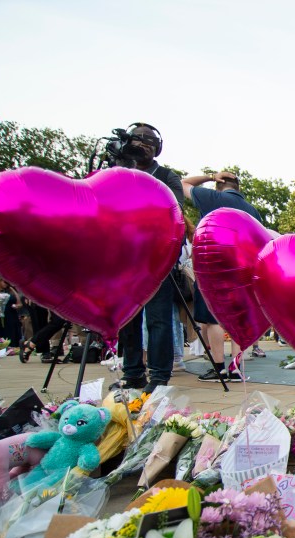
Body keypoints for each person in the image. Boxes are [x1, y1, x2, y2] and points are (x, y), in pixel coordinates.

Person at [112, 124, 184, 395]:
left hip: (155, 257)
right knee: (128, 318)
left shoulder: (167, 176)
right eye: (136, 139)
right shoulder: (120, 173)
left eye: (148, 140)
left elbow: (173, 211)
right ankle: (132, 373)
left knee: (158, 318)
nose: (141, 144)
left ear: (157, 147)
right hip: (125, 256)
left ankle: (159, 374)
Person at [182, 170, 263, 382]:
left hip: (213, 264)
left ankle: (218, 367)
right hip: (243, 268)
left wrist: (210, 177)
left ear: (219, 185)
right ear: (239, 188)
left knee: (212, 318)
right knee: (238, 318)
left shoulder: (213, 198)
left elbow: (183, 184)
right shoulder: (252, 210)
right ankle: (235, 367)